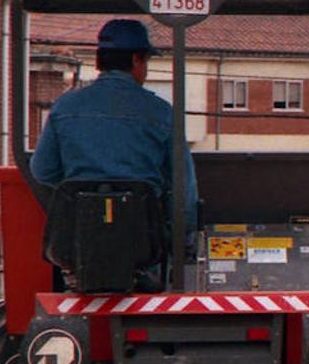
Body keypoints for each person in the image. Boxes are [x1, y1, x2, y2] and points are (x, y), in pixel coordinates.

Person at [32, 18, 198, 237]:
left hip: (80, 235)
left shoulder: (65, 106)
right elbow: (182, 186)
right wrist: (184, 235)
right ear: (136, 60)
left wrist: (81, 193)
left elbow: (42, 170)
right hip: (142, 240)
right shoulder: (161, 113)